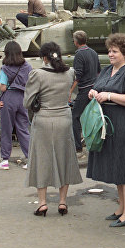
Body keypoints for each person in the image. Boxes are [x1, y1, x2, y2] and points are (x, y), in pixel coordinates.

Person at [86, 33, 125, 228]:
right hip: (110, 124)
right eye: (109, 50)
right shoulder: (107, 70)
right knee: (117, 164)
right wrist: (93, 92)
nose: (110, 54)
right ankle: (121, 208)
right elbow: (97, 88)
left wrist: (109, 95)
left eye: (115, 51)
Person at [24, 42, 83, 217]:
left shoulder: (37, 74)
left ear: (44, 58)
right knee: (64, 159)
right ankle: (63, 202)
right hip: (64, 119)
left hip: (43, 120)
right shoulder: (69, 73)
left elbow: (27, 102)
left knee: (41, 160)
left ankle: (42, 203)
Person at [0, 41, 32, 170]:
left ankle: (5, 160)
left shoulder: (5, 68)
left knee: (6, 129)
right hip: (22, 98)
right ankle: (30, 160)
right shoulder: (27, 66)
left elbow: (3, 87)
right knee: (23, 129)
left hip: (9, 98)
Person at [69, 30, 101, 155]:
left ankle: (77, 147)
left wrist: (69, 92)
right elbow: (98, 71)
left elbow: (78, 75)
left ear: (76, 42)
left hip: (84, 90)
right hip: (94, 88)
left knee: (75, 116)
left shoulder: (79, 55)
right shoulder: (93, 52)